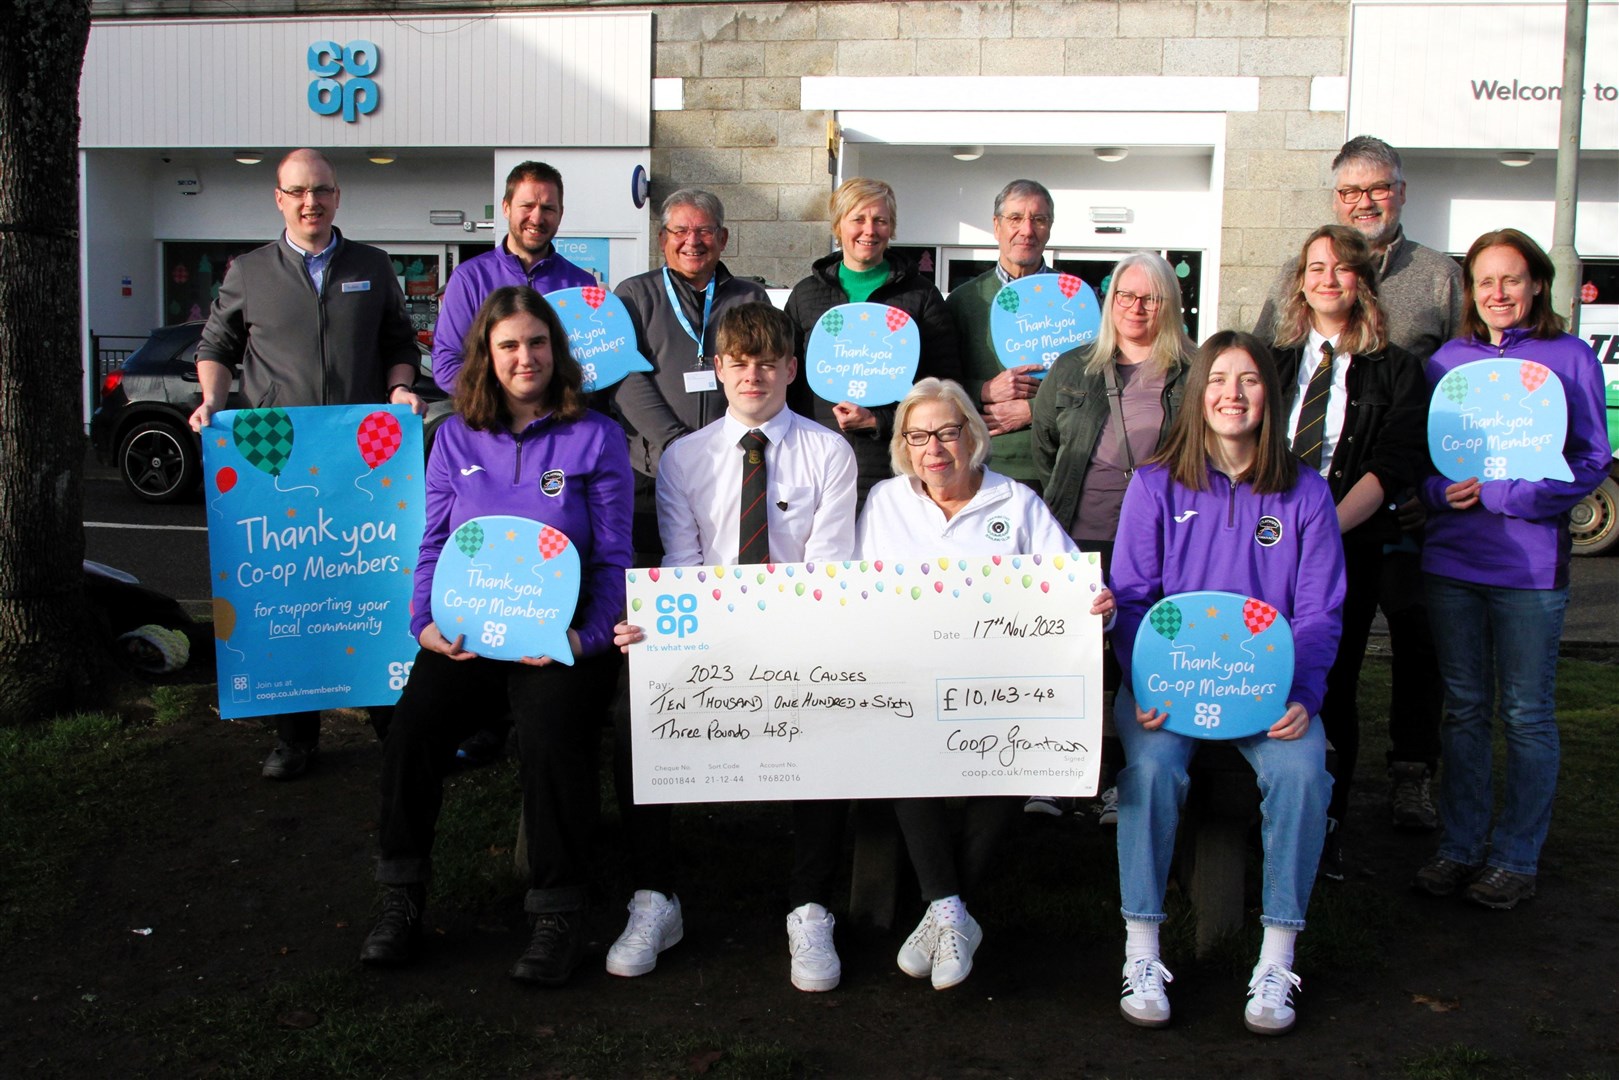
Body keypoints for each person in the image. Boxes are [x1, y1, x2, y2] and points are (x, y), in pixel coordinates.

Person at [358, 286, 631, 984]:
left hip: (560, 640)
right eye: (508, 344)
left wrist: (582, 640)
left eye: (537, 343)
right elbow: (434, 545)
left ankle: (556, 915)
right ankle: (400, 898)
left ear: (556, 350)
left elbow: (612, 561)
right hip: (472, 634)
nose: (524, 357)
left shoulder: (595, 435)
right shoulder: (453, 435)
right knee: (411, 724)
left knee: (551, 734)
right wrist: (424, 625)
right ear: (486, 353)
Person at [608, 302, 858, 992]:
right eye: (738, 362)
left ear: (791, 369)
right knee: (636, 711)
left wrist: (778, 647)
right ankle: (654, 897)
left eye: (767, 362)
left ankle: (809, 906)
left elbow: (826, 569)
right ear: (716, 368)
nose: (753, 375)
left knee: (830, 714)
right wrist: (677, 637)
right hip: (708, 641)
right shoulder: (685, 458)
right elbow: (684, 564)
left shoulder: (828, 451)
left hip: (799, 636)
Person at [1110, 331, 1345, 1035]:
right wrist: (1144, 682)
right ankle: (1141, 947)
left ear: (1268, 398)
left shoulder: (1304, 493)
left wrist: (1301, 695)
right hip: (1165, 693)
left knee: (1304, 776)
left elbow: (1318, 608)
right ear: (1197, 394)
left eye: (1247, 381)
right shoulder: (1154, 483)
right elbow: (1130, 596)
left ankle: (1276, 956)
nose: (1231, 394)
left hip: (1268, 695)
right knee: (1149, 773)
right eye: (1218, 379)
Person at [854, 377, 1113, 990]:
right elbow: (857, 596)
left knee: (1010, 747)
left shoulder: (1017, 503)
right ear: (902, 445)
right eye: (918, 437)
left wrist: (1095, 603)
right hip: (910, 683)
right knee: (900, 739)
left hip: (995, 685)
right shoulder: (885, 503)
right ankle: (951, 909)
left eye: (947, 432)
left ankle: (943, 910)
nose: (934, 449)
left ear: (973, 433)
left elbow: (1069, 583)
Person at [189, 147, 425, 781]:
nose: (309, 202)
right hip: (275, 458)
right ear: (278, 198)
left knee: (370, 583)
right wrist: (212, 399)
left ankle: (389, 722)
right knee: (288, 591)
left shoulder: (373, 267)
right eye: (297, 191)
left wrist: (401, 387)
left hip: (363, 459)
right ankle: (295, 737)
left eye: (320, 190)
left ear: (338, 196)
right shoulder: (249, 270)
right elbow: (217, 344)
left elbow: (399, 344)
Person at [1256, 135, 1465, 832]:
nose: (1364, 201)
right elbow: (1253, 383)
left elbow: (1459, 377)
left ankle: (1407, 772)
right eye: (1349, 192)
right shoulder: (1294, 292)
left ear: (1399, 192)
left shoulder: (1437, 275)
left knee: (1401, 641)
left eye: (1376, 188)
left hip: (1392, 506)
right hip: (1279, 523)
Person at [1410, 229, 1609, 911]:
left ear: (1535, 285)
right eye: (1484, 282)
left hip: (1528, 568)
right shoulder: (1444, 363)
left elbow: (1588, 461)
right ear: (1469, 291)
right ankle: (1459, 847)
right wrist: (1440, 493)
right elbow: (1422, 465)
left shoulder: (1569, 357)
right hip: (1450, 564)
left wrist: (1508, 495)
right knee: (1463, 711)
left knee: (1526, 714)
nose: (1496, 294)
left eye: (1510, 280)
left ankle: (1514, 857)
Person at [1269, 225, 1427, 880]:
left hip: (1344, 548)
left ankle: (1324, 825)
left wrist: (1321, 531)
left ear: (1361, 279)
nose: (1326, 278)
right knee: (1258, 672)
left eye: (1340, 267)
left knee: (1329, 681)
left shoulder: (1396, 367)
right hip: (1262, 550)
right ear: (1298, 281)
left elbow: (1392, 462)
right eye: (1313, 266)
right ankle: (1254, 814)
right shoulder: (1271, 361)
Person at [1028, 252, 1195, 821]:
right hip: (1081, 534)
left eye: (1150, 297)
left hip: (1159, 545)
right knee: (1071, 658)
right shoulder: (1074, 367)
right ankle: (1056, 771)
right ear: (1110, 302)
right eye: (1126, 295)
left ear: (1170, 303)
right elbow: (1047, 444)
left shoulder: (1193, 372)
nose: (1137, 307)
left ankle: (1124, 779)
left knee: (1140, 661)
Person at [613, 188, 770, 556]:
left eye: (704, 231)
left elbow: (764, 373)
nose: (692, 241)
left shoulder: (750, 298)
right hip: (652, 473)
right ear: (662, 239)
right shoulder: (634, 295)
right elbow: (623, 377)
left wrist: (716, 449)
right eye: (680, 230)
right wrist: (678, 444)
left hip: (731, 472)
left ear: (723, 238)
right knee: (655, 576)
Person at [785, 177, 960, 506]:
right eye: (858, 219)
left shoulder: (920, 296)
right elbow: (787, 383)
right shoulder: (806, 295)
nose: (869, 230)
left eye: (880, 220)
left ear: (891, 228)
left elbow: (943, 387)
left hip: (892, 464)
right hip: (816, 461)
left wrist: (878, 420)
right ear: (838, 225)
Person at [431, 161, 597, 393]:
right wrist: (508, 402)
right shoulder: (470, 278)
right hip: (491, 423)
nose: (537, 218)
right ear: (506, 207)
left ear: (561, 213)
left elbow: (590, 365)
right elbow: (447, 365)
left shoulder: (581, 284)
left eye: (548, 208)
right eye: (527, 206)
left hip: (559, 423)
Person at [947, 179, 1058, 491]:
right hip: (981, 464)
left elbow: (1093, 385)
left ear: (1049, 228)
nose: (1027, 230)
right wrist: (983, 390)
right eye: (1015, 218)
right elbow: (937, 381)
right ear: (997, 226)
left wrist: (1032, 411)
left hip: (1055, 465)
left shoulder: (1073, 301)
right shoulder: (964, 300)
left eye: (1039, 219)